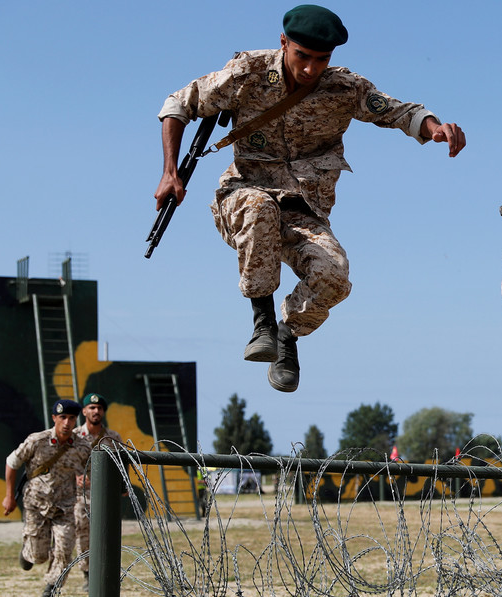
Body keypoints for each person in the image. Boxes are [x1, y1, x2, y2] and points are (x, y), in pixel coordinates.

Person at [155, 5, 466, 393]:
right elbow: (178, 104)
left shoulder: (344, 88)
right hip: (242, 195)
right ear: (284, 43)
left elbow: (400, 112)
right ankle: (262, 323)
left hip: (304, 209)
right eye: (302, 56)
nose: (310, 69)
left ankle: (286, 336)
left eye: (322, 60)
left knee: (334, 276)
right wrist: (170, 172)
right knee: (259, 207)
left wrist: (435, 128)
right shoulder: (247, 73)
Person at [3, 400, 93, 597]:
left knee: (64, 550)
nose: (67, 423)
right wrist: (9, 496)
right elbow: (11, 462)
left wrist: (86, 478)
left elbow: (89, 470)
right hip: (36, 505)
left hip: (65, 506)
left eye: (72, 418)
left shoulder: (82, 446)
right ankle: (28, 553)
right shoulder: (37, 440)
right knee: (39, 555)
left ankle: (50, 594)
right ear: (54, 418)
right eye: (63, 418)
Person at [72, 393, 124, 590]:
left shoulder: (112, 437)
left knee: (106, 534)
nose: (96, 411)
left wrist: (122, 486)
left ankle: (105, 572)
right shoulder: (75, 436)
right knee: (83, 533)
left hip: (106, 495)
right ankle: (88, 575)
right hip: (81, 496)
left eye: (99, 408)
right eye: (91, 408)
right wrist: (74, 478)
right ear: (84, 411)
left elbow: (121, 464)